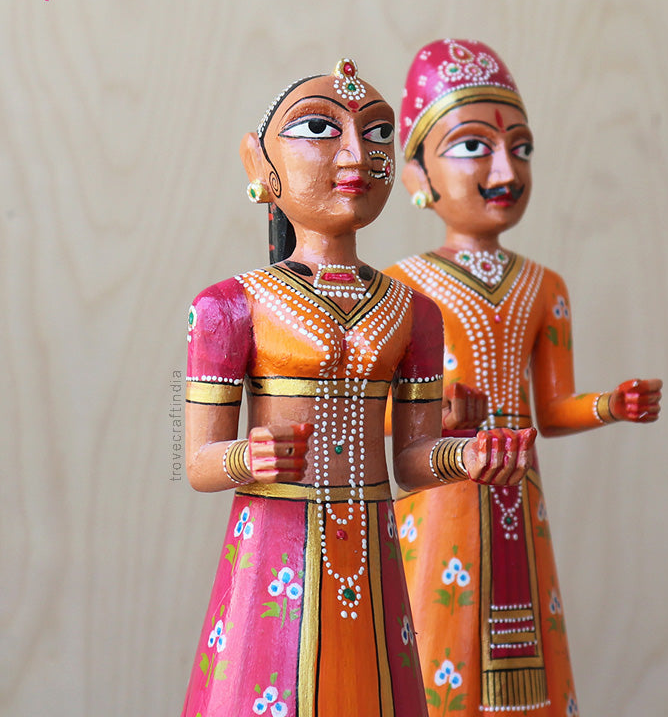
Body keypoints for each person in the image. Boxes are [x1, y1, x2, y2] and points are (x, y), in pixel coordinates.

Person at [179, 58, 537, 717]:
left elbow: (411, 461)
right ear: (259, 164)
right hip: (271, 552)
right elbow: (198, 463)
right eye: (320, 128)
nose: (356, 153)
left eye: (376, 133)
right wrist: (246, 457)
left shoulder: (413, 311)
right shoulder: (228, 306)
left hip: (372, 549)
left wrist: (467, 455)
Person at [386, 39, 663, 716]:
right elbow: (374, 414)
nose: (507, 170)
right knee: (433, 632)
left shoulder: (545, 287)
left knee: (528, 641)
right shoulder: (397, 289)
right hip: (442, 487)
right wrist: (433, 415)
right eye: (473, 146)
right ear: (417, 174)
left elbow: (553, 411)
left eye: (522, 148)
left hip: (520, 492)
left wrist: (610, 404)